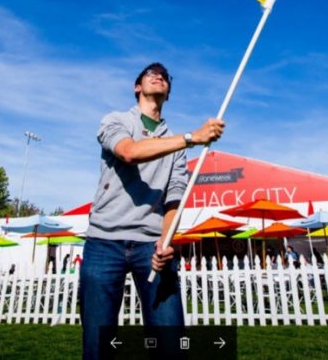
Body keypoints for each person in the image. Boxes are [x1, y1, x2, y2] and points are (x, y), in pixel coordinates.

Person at [79, 62, 224, 359]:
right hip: (103, 241)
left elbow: (175, 196)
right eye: (150, 73)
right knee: (97, 346)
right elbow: (129, 152)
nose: (159, 76)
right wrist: (191, 137)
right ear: (137, 87)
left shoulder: (176, 146)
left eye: (165, 77)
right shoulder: (115, 120)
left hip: (152, 247)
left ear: (168, 93)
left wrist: (166, 239)